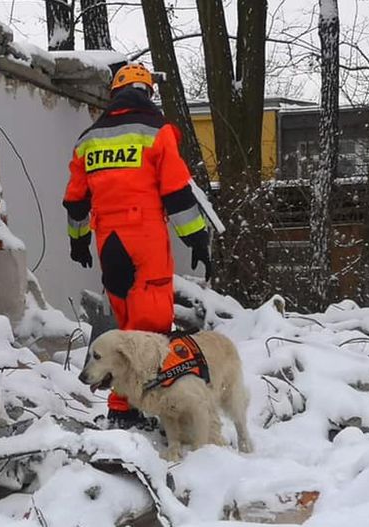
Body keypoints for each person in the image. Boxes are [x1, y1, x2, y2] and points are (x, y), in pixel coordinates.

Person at [63, 63, 211, 428]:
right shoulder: (156, 131)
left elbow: (76, 201)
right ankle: (133, 407)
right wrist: (195, 235)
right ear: (148, 93)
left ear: (114, 94)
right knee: (151, 331)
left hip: (106, 239)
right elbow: (175, 192)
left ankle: (125, 405)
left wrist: (78, 241)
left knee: (124, 324)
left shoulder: (88, 140)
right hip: (144, 237)